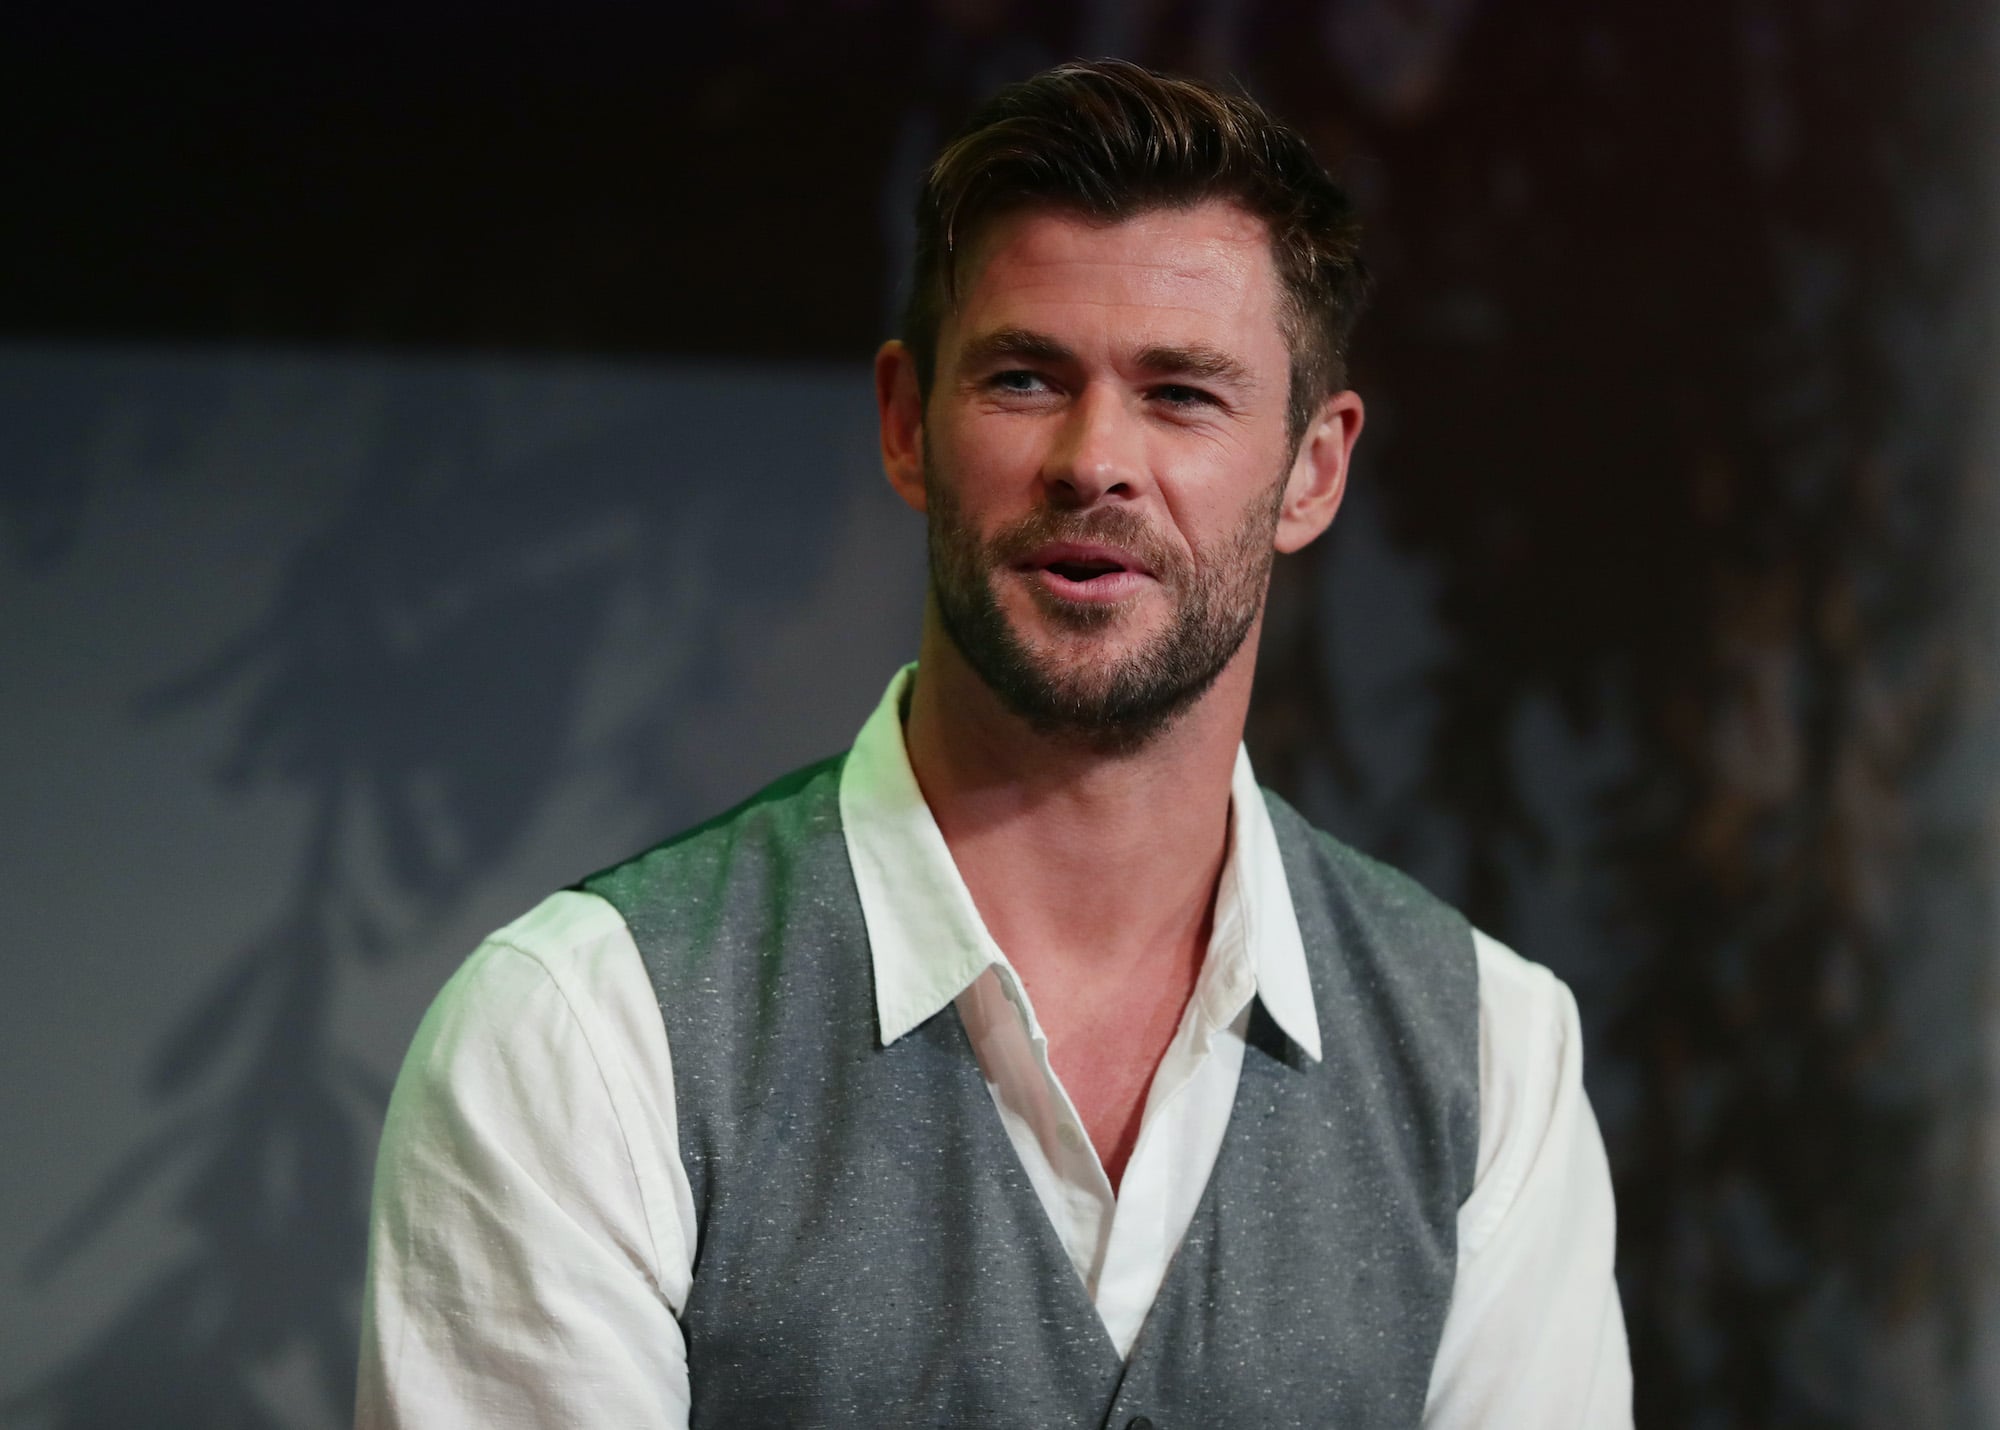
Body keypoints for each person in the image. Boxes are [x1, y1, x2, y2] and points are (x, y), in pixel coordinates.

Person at [355, 59, 1631, 1428]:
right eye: (1025, 379)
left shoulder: (1491, 1056)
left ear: (1312, 470)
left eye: (1182, 393)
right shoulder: (582, 1035)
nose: (1094, 459)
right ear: (907, 424)